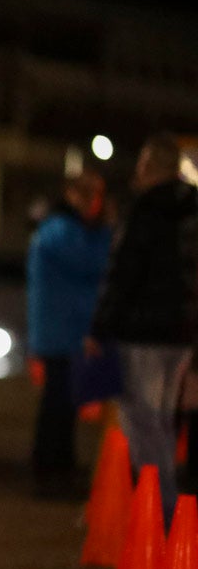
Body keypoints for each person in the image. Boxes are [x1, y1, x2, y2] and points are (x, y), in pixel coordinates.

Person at [88, 132, 198, 529]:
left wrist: (101, 328)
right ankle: (165, 505)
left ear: (150, 169)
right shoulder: (192, 212)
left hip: (143, 332)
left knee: (142, 421)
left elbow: (122, 276)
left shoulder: (144, 212)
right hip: (182, 335)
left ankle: (160, 512)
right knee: (164, 420)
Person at [26, 169, 111, 500]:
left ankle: (57, 464)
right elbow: (94, 262)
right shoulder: (62, 230)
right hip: (61, 330)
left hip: (62, 329)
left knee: (61, 402)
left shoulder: (59, 228)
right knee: (57, 403)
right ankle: (51, 468)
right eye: (92, 195)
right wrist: (106, 230)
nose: (96, 203)